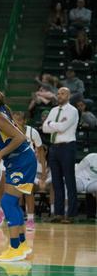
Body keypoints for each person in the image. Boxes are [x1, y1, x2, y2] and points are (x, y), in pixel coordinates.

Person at [0, 88, 35, 262]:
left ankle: (15, 248)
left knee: (8, 202)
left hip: (22, 161)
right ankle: (22, 245)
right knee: (11, 202)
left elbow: (20, 137)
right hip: (16, 162)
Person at [42, 87, 79, 223]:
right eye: (58, 94)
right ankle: (58, 213)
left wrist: (51, 123)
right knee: (56, 182)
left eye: (62, 93)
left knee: (69, 181)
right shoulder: (53, 110)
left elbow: (63, 128)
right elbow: (44, 128)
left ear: (68, 95)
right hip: (54, 148)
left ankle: (71, 214)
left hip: (67, 147)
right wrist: (54, 124)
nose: (59, 96)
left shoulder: (73, 110)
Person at [13, 111, 46, 231]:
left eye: (19, 120)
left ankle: (31, 219)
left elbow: (41, 151)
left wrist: (43, 172)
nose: (16, 123)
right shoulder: (9, 132)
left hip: (29, 165)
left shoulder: (32, 132)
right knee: (12, 191)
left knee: (28, 191)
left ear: (24, 121)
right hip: (15, 165)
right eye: (14, 120)